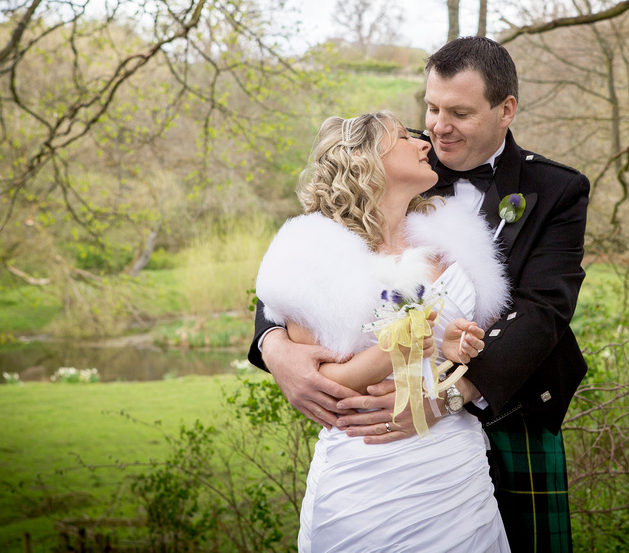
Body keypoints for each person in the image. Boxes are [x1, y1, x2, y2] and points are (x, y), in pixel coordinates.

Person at [251, 37, 590, 552]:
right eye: (431, 108)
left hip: (508, 404)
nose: (436, 127)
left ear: (506, 110)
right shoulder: (394, 166)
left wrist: (448, 396)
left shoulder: (557, 189)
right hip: (383, 437)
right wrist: (274, 347)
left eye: (459, 112)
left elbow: (544, 310)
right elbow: (302, 267)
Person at [254, 111, 512, 551]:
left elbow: (470, 346)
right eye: (404, 137)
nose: (425, 141)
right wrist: (393, 352)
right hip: (366, 478)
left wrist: (455, 347)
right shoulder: (311, 255)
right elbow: (321, 384)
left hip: (457, 471)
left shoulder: (456, 237)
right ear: (363, 158)